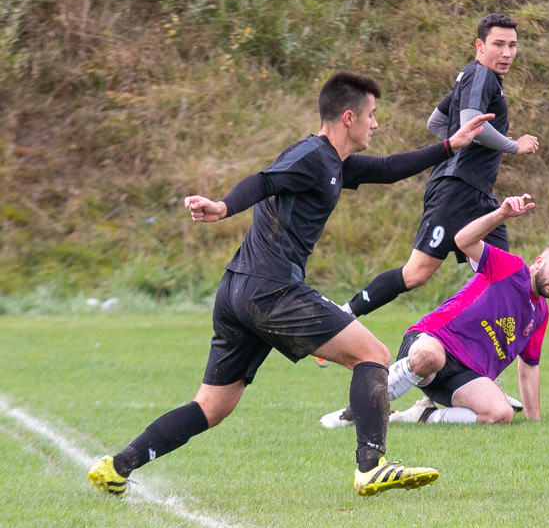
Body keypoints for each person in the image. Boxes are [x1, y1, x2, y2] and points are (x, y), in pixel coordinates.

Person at [86, 72, 494, 498]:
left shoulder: (335, 164)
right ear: (349, 117)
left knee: (212, 406)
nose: (376, 124)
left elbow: (390, 170)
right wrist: (223, 206)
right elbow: (264, 181)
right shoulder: (312, 156)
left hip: (238, 290)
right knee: (372, 354)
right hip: (271, 287)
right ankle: (371, 466)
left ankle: (118, 466)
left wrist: (451, 144)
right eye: (372, 116)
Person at [321, 194, 549, 428]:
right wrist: (501, 215)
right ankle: (356, 412)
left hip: (465, 376)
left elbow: (529, 366)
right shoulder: (511, 269)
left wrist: (535, 422)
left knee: (501, 414)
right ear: (540, 262)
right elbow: (463, 240)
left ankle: (421, 416)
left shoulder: (540, 313)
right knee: (430, 357)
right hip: (433, 343)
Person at [341, 13, 540, 319]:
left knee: (505, 276)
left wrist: (481, 140)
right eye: (498, 44)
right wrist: (513, 145)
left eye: (512, 45)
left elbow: (436, 123)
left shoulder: (469, 77)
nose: (507, 53)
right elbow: (468, 121)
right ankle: (343, 316)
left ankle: (461, 350)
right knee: (417, 273)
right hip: (456, 188)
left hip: (477, 192)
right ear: (480, 45)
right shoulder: (481, 76)